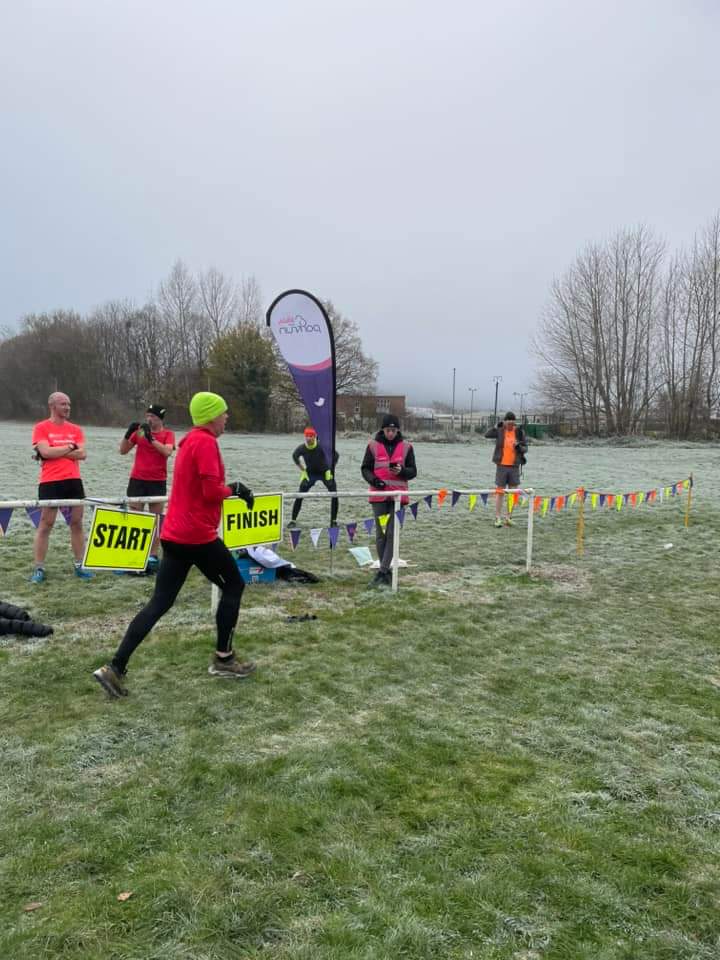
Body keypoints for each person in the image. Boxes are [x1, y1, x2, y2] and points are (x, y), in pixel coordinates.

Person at [93, 391, 256, 698]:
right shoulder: (205, 442)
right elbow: (210, 492)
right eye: (223, 412)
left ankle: (114, 668)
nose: (227, 417)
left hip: (174, 535)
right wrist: (234, 488)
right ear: (210, 415)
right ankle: (224, 659)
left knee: (160, 603)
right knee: (234, 585)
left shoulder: (190, 440)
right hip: (197, 536)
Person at [30, 391, 93, 583]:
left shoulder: (76, 429)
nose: (67, 407)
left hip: (73, 481)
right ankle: (39, 568)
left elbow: (82, 454)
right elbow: (46, 452)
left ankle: (79, 565)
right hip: (50, 482)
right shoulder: (41, 428)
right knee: (45, 524)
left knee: (76, 523)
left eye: (69, 404)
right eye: (63, 404)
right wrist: (69, 448)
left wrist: (57, 451)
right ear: (52, 406)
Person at [361, 413, 417, 588]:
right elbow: (365, 469)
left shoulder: (407, 447)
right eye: (388, 430)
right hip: (378, 496)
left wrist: (401, 471)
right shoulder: (372, 446)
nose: (391, 433)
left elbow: (413, 471)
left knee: (393, 533)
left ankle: (382, 571)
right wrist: (374, 480)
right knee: (381, 535)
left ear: (398, 430)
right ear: (382, 430)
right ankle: (385, 571)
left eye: (393, 430)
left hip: (398, 497)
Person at [119, 403, 175, 570]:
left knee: (156, 520)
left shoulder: (168, 434)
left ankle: (152, 555)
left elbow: (167, 452)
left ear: (160, 419)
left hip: (157, 481)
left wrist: (151, 438)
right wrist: (128, 433)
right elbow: (123, 450)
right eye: (148, 416)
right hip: (137, 480)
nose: (149, 419)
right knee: (136, 518)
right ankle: (135, 553)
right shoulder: (140, 432)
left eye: (153, 417)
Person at [287, 426, 339, 528]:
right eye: (307, 436)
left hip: (325, 473)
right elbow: (294, 456)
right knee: (300, 495)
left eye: (311, 436)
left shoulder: (322, 446)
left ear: (314, 437)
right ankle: (293, 520)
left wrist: (330, 470)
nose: (308, 438)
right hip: (310, 474)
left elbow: (336, 455)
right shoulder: (302, 448)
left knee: (334, 494)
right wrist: (303, 470)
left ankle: (333, 521)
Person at [484, 411, 528, 527]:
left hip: (514, 466)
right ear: (505, 422)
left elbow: (525, 448)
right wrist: (496, 426)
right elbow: (487, 435)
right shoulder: (500, 431)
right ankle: (497, 517)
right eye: (508, 422)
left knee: (513, 493)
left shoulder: (519, 432)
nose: (510, 425)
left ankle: (508, 517)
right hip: (501, 466)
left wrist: (519, 447)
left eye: (512, 423)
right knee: (500, 492)